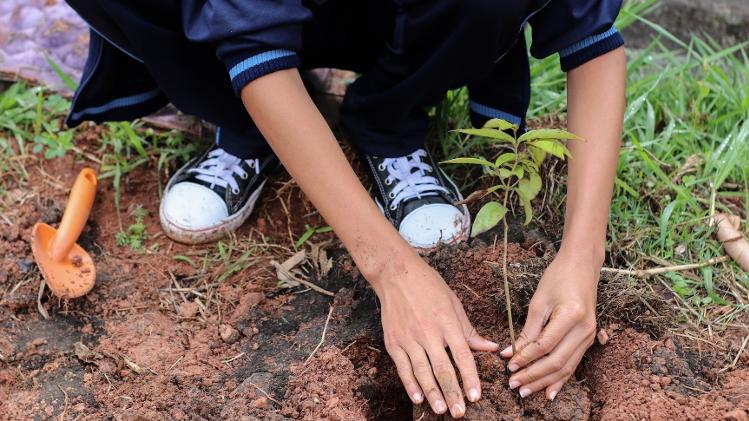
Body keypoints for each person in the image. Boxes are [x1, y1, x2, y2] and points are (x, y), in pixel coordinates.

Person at [62, 0, 626, 417]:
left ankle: (388, 119)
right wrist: (394, 270)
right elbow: (251, 38)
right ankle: (244, 124)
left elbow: (591, 38)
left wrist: (582, 259)